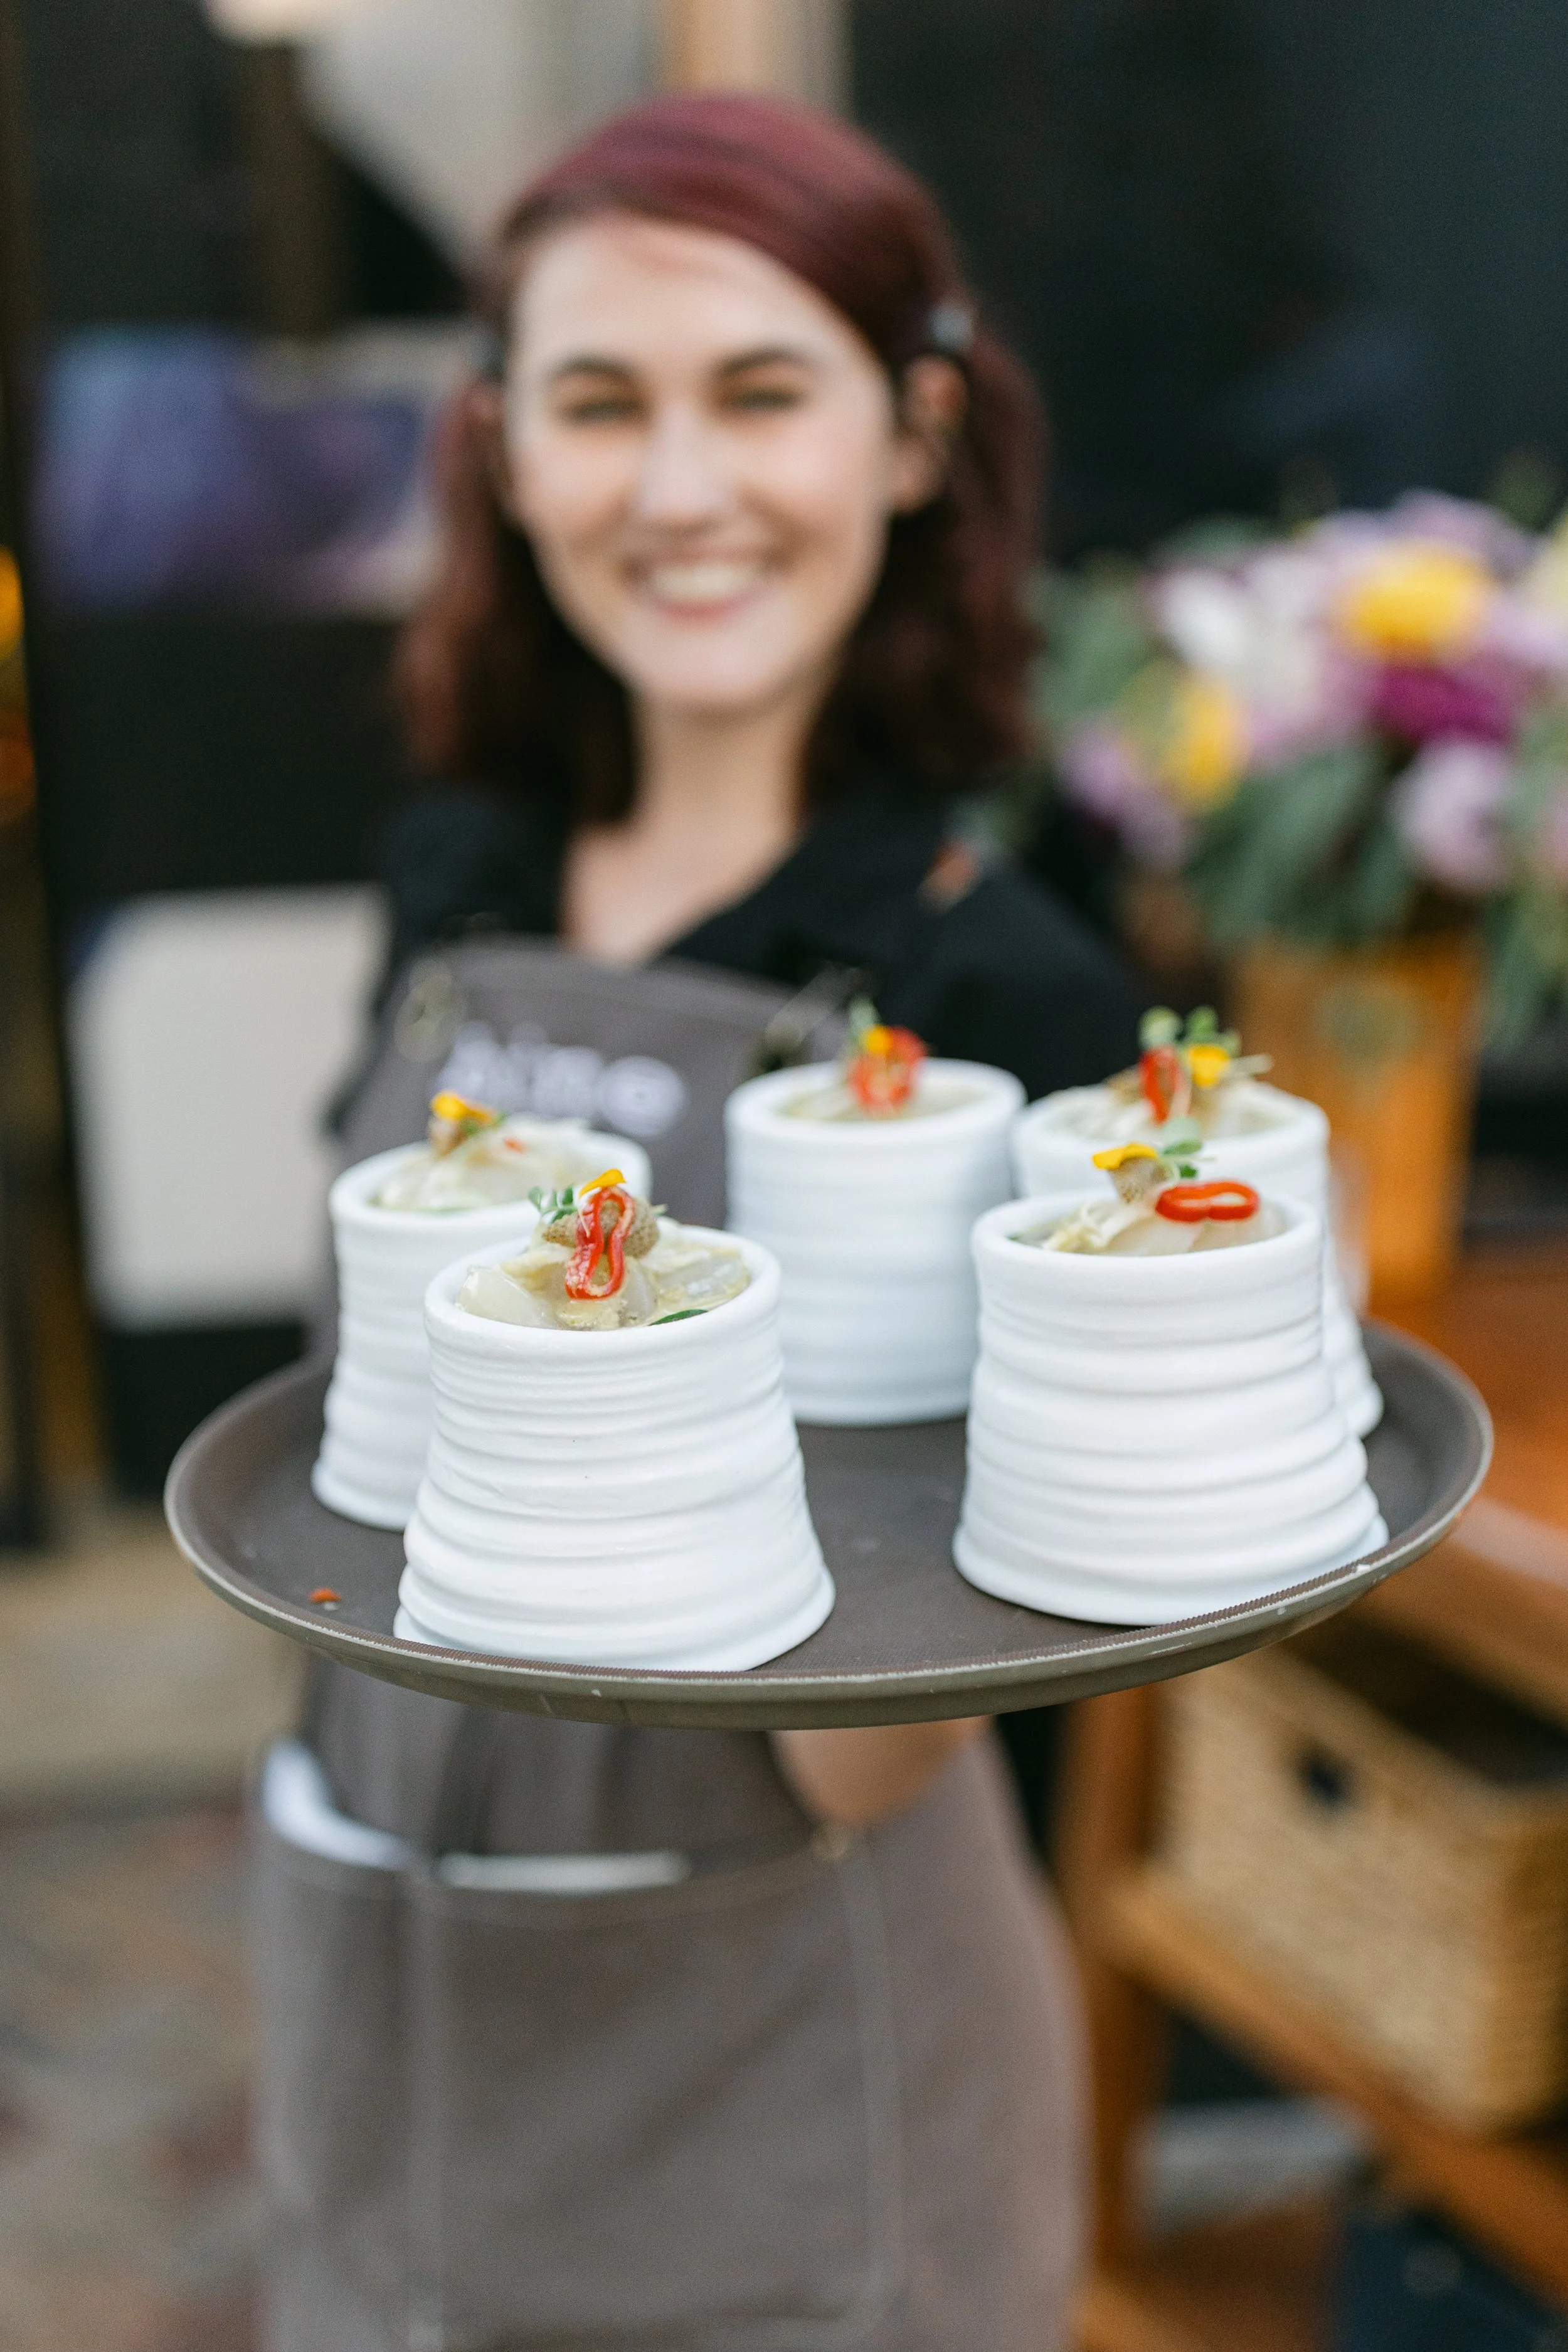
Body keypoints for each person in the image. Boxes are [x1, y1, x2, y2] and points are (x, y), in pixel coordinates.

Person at [262, 93, 1143, 2352]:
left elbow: (935, 1672)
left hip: (781, 2017)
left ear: (914, 433)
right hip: (375, 1938)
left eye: (761, 392)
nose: (677, 491)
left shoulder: (996, 986)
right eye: (597, 403)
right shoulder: (457, 868)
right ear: (502, 452)